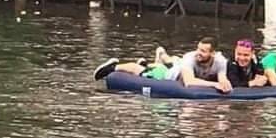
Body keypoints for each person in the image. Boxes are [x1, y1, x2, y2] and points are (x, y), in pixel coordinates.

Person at [94, 37, 231, 92]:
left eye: (203, 51)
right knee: (144, 71)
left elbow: (222, 78)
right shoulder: (190, 57)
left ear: (213, 53)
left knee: (171, 61)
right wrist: (214, 85)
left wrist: (224, 84)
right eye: (198, 49)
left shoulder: (220, 60)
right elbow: (189, 82)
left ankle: (159, 56)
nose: (198, 53)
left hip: (178, 66)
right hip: (171, 75)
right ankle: (113, 66)